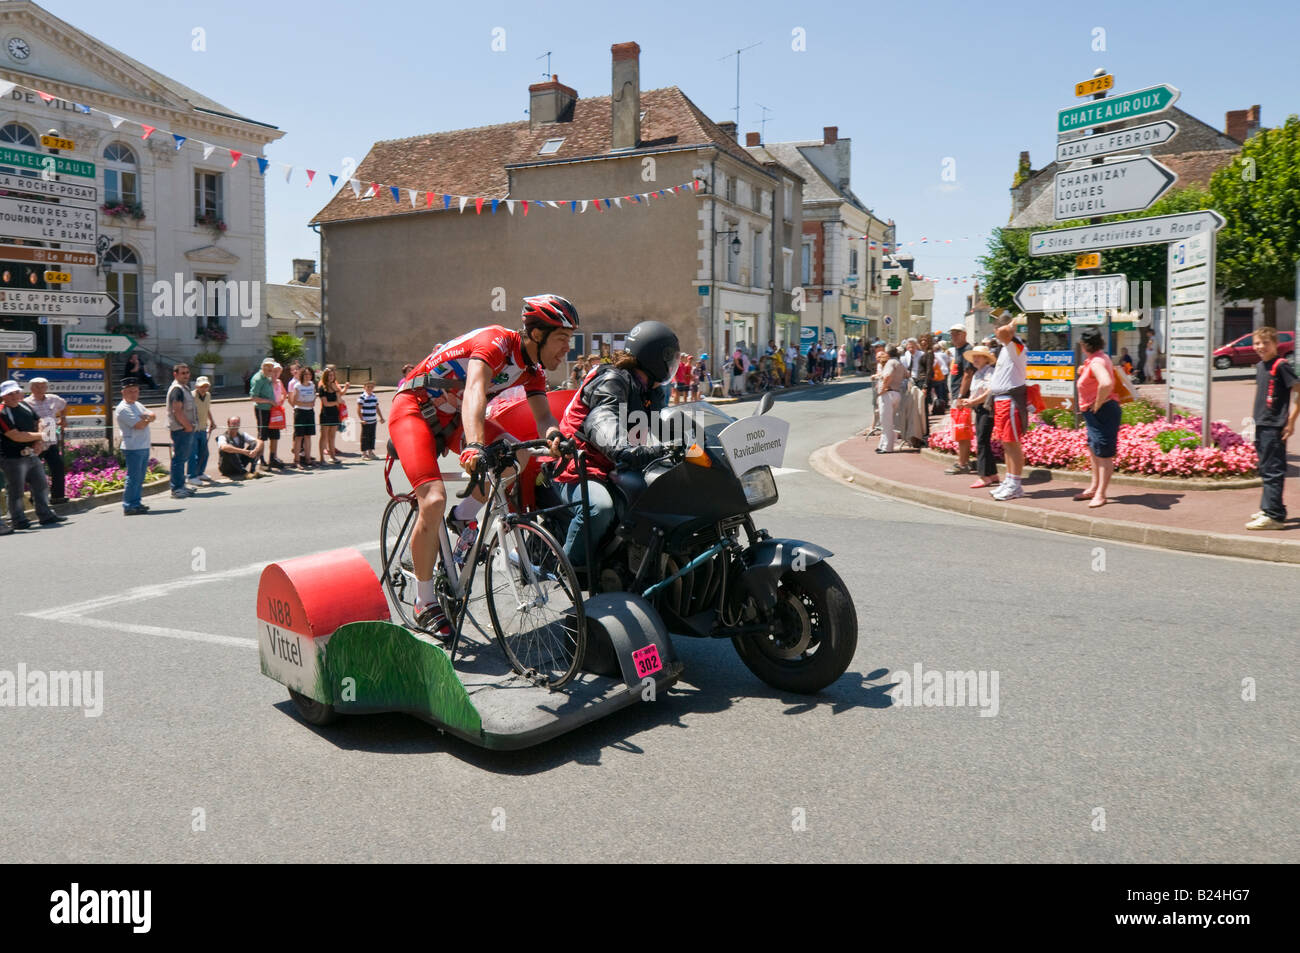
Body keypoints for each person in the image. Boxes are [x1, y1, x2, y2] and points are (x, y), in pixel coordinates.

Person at [391, 294, 575, 634]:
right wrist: (475, 445)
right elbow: (475, 389)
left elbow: (544, 416)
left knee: (516, 454)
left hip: (457, 417)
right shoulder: (496, 341)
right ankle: (423, 599)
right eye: (563, 339)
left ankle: (463, 518)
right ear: (537, 334)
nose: (568, 348)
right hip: (415, 408)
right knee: (432, 498)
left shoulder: (533, 371)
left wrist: (556, 437)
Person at [555, 320, 677, 568]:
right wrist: (624, 448)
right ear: (654, 357)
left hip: (617, 463)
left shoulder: (649, 389)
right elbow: (602, 419)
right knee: (599, 508)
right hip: (579, 463)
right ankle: (570, 569)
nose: (673, 365)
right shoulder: (614, 378)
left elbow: (663, 424)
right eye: (669, 358)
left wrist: (695, 439)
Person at [1246, 326, 1300, 530]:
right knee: (1266, 468)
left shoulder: (1281, 365)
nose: (1260, 347)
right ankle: (1269, 507)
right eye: (1257, 343)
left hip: (1274, 426)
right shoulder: (1261, 366)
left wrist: (1291, 421)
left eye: (1265, 343)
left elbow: (1298, 391)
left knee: (1273, 471)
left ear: (1276, 344)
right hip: (1261, 423)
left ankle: (1275, 516)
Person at [0, 379, 65, 529]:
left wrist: (39, 442)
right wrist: (42, 436)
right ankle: (18, 520)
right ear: (3, 396)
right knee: (16, 490)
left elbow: (40, 420)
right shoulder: (2, 412)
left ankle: (45, 514)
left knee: (41, 485)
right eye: (10, 394)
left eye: (17, 392)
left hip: (31, 453)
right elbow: (15, 435)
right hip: (12, 457)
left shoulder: (24, 405)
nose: (14, 396)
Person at [1073, 328, 1121, 508]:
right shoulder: (1099, 358)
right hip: (1097, 413)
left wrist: (1099, 403)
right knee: (1095, 451)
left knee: (1103, 455)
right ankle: (1094, 488)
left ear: (1085, 345)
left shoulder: (1096, 362)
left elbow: (1106, 383)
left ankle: (1100, 494)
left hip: (1102, 412)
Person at [988, 318, 1029, 501]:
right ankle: (1010, 480)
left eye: (996, 328)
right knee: (1007, 443)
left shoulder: (1016, 345)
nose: (996, 332)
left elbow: (1005, 333)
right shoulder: (1006, 348)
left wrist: (1010, 325)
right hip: (1001, 399)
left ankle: (1015, 484)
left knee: (1012, 443)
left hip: (1010, 399)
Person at [956, 346, 999, 488]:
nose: (975, 359)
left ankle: (984, 476)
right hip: (980, 409)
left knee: (982, 441)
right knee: (983, 440)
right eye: (974, 356)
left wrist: (973, 401)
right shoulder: (977, 374)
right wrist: (967, 401)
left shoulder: (991, 372)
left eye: (979, 356)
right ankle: (992, 474)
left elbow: (990, 391)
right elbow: (977, 393)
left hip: (987, 409)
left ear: (986, 358)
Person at [23, 377, 68, 504]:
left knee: (58, 466)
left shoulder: (53, 399)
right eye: (37, 386)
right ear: (31, 388)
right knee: (35, 471)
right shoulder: (26, 402)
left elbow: (64, 405)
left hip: (51, 440)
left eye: (43, 386)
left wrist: (63, 418)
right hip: (35, 442)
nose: (40, 389)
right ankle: (35, 499)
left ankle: (58, 497)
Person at [114, 378, 154, 515]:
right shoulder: (122, 408)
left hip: (143, 445)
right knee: (133, 477)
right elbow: (140, 425)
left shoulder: (137, 405)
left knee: (140, 477)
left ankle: (136, 502)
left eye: (136, 391)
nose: (134, 394)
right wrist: (146, 418)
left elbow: (152, 415)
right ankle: (129, 505)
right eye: (130, 391)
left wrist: (146, 417)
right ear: (123, 392)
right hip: (133, 447)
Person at [943, 325, 974, 474]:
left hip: (963, 397)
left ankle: (962, 463)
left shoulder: (967, 350)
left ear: (964, 334)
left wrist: (961, 396)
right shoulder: (959, 350)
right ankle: (963, 461)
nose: (953, 337)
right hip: (958, 395)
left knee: (962, 430)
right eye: (952, 334)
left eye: (956, 334)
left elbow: (968, 374)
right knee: (960, 430)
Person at [165, 363, 197, 499]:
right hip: (181, 429)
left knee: (182, 459)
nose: (186, 375)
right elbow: (177, 411)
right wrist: (188, 426)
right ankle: (176, 489)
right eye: (183, 373)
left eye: (187, 372)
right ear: (175, 374)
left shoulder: (184, 388)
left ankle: (181, 485)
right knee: (179, 460)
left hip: (185, 429)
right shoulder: (177, 389)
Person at [249, 358, 284, 471]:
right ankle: (261, 460)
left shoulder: (269, 376)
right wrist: (269, 401)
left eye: (271, 366)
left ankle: (273, 458)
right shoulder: (258, 379)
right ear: (262, 367)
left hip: (272, 410)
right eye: (267, 366)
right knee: (262, 435)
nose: (270, 369)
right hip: (262, 409)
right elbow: (253, 397)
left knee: (275, 434)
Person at [187, 375, 218, 487]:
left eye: (206, 386)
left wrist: (212, 422)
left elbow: (207, 409)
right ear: (196, 386)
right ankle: (191, 476)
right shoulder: (191, 396)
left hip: (203, 428)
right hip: (193, 429)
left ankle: (200, 473)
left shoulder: (208, 395)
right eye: (202, 386)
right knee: (193, 454)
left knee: (204, 453)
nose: (204, 388)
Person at [875, 346, 906, 452]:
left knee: (886, 422)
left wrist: (883, 388)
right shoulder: (899, 363)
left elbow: (888, 375)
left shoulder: (890, 363)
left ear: (888, 353)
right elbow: (907, 374)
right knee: (888, 421)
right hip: (896, 392)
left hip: (888, 393)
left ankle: (887, 447)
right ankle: (882, 444)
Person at [317, 365, 350, 464]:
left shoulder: (335, 386)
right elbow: (326, 403)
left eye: (332, 375)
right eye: (329, 375)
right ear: (325, 376)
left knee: (332, 436)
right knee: (324, 436)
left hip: (335, 413)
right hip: (326, 414)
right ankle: (322, 458)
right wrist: (337, 403)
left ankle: (333, 456)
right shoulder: (322, 387)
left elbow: (339, 398)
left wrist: (343, 392)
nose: (331, 377)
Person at [216, 415, 264, 480]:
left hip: (240, 462)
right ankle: (244, 473)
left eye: (237, 423)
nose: (236, 425)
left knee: (255, 444)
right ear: (228, 424)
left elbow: (260, 442)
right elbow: (224, 447)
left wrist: (255, 450)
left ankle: (253, 470)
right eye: (233, 423)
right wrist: (243, 451)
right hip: (227, 467)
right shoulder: (222, 437)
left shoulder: (242, 435)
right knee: (230, 448)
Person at [289, 365, 317, 468]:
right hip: (300, 412)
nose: (307, 376)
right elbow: (294, 401)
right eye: (305, 374)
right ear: (302, 375)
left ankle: (308, 459)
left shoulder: (312, 385)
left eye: (309, 374)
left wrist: (311, 403)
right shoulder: (297, 386)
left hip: (310, 412)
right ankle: (296, 460)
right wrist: (306, 404)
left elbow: (314, 397)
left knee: (308, 436)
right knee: (299, 437)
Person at [357, 380, 384, 460]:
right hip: (366, 421)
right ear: (364, 387)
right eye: (368, 387)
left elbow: (377, 408)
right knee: (365, 437)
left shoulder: (374, 397)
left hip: (373, 420)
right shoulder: (362, 397)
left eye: (371, 387)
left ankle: (371, 452)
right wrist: (361, 419)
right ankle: (364, 454)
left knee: (372, 436)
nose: (370, 388)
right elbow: (358, 409)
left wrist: (381, 417)